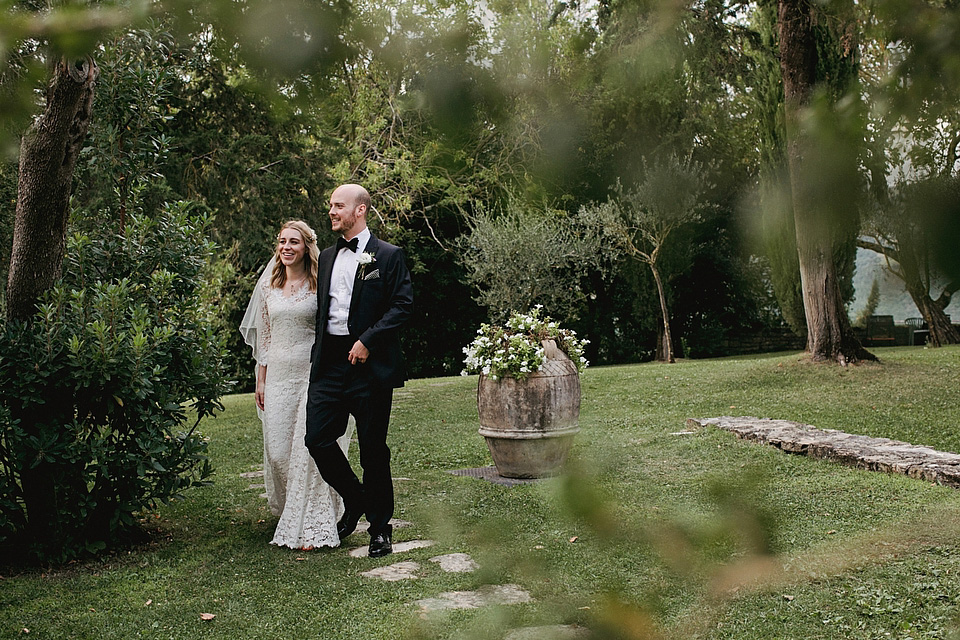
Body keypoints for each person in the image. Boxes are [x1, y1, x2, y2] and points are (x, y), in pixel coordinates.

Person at [305, 184, 414, 558]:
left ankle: (380, 530)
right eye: (331, 205)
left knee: (372, 450)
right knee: (317, 439)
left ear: (361, 210)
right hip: (329, 364)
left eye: (339, 206)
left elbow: (402, 306)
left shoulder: (388, 255)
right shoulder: (328, 257)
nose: (332, 211)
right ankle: (356, 499)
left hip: (370, 367)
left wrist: (368, 340)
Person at [240, 220, 353, 550]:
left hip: (311, 373)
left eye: (294, 242)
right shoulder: (268, 288)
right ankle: (295, 508)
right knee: (278, 453)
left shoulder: (319, 284)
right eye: (282, 242)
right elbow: (266, 337)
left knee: (309, 447)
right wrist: (260, 380)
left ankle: (314, 519)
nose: (286, 247)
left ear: (307, 247)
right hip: (276, 376)